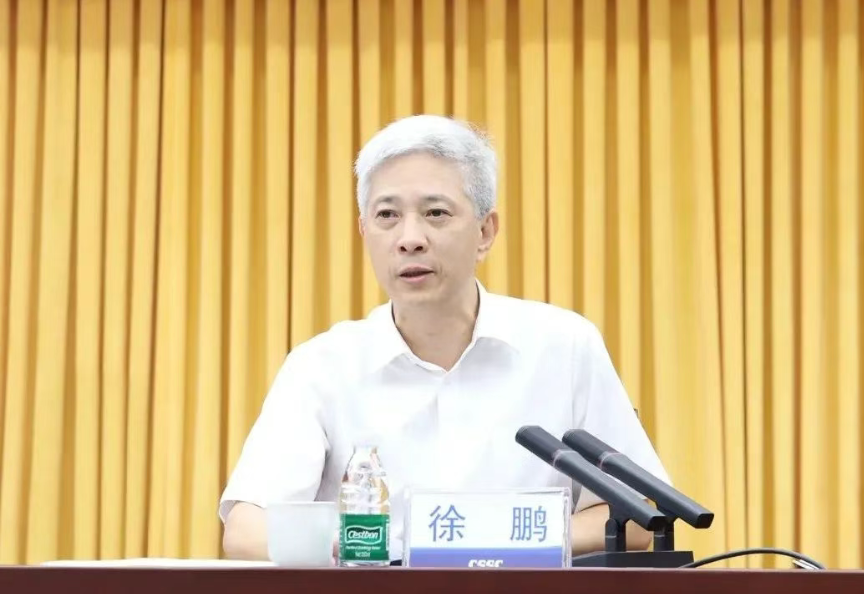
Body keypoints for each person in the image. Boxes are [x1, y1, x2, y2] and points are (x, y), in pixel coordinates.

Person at [219, 114, 671, 562]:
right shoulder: (322, 365)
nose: (409, 239)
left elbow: (633, 518)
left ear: (485, 232)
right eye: (387, 215)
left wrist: (477, 541)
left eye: (435, 213)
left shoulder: (564, 346)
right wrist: (379, 549)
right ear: (364, 232)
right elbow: (246, 529)